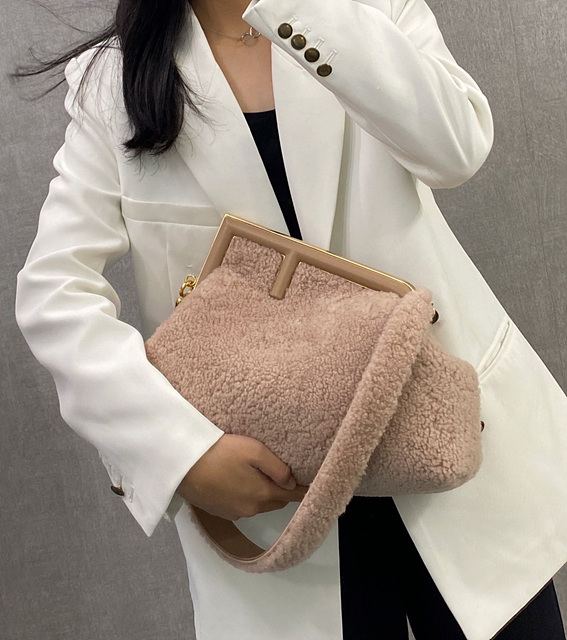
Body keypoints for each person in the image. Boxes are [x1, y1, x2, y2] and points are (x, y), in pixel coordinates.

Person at [13, 1, 567, 639]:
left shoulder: (373, 8)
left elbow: (456, 149)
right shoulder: (113, 82)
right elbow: (54, 291)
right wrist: (180, 451)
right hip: (273, 485)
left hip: (441, 433)